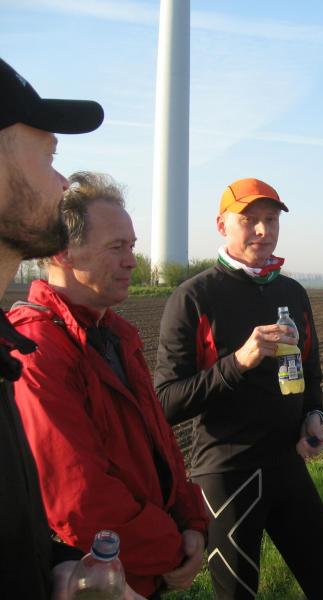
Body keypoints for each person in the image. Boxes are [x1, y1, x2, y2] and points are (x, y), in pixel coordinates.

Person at [9, 172, 209, 598]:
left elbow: (161, 443)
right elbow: (78, 498)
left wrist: (193, 523)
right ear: (63, 251)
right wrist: (172, 549)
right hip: (98, 581)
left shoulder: (117, 335)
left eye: (132, 246)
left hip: (141, 569)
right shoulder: (36, 349)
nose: (132, 261)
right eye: (117, 247)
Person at [154, 177, 323, 599]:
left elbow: (310, 372)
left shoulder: (292, 292)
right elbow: (165, 402)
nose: (263, 231)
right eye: (249, 220)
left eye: (271, 220)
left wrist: (313, 416)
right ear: (221, 224)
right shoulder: (193, 298)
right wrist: (238, 362)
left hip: (287, 467)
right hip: (228, 475)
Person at [0, 57, 141, 600]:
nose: (62, 183)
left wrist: (55, 570)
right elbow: (77, 494)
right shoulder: (34, 349)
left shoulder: (10, 350)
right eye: (49, 156)